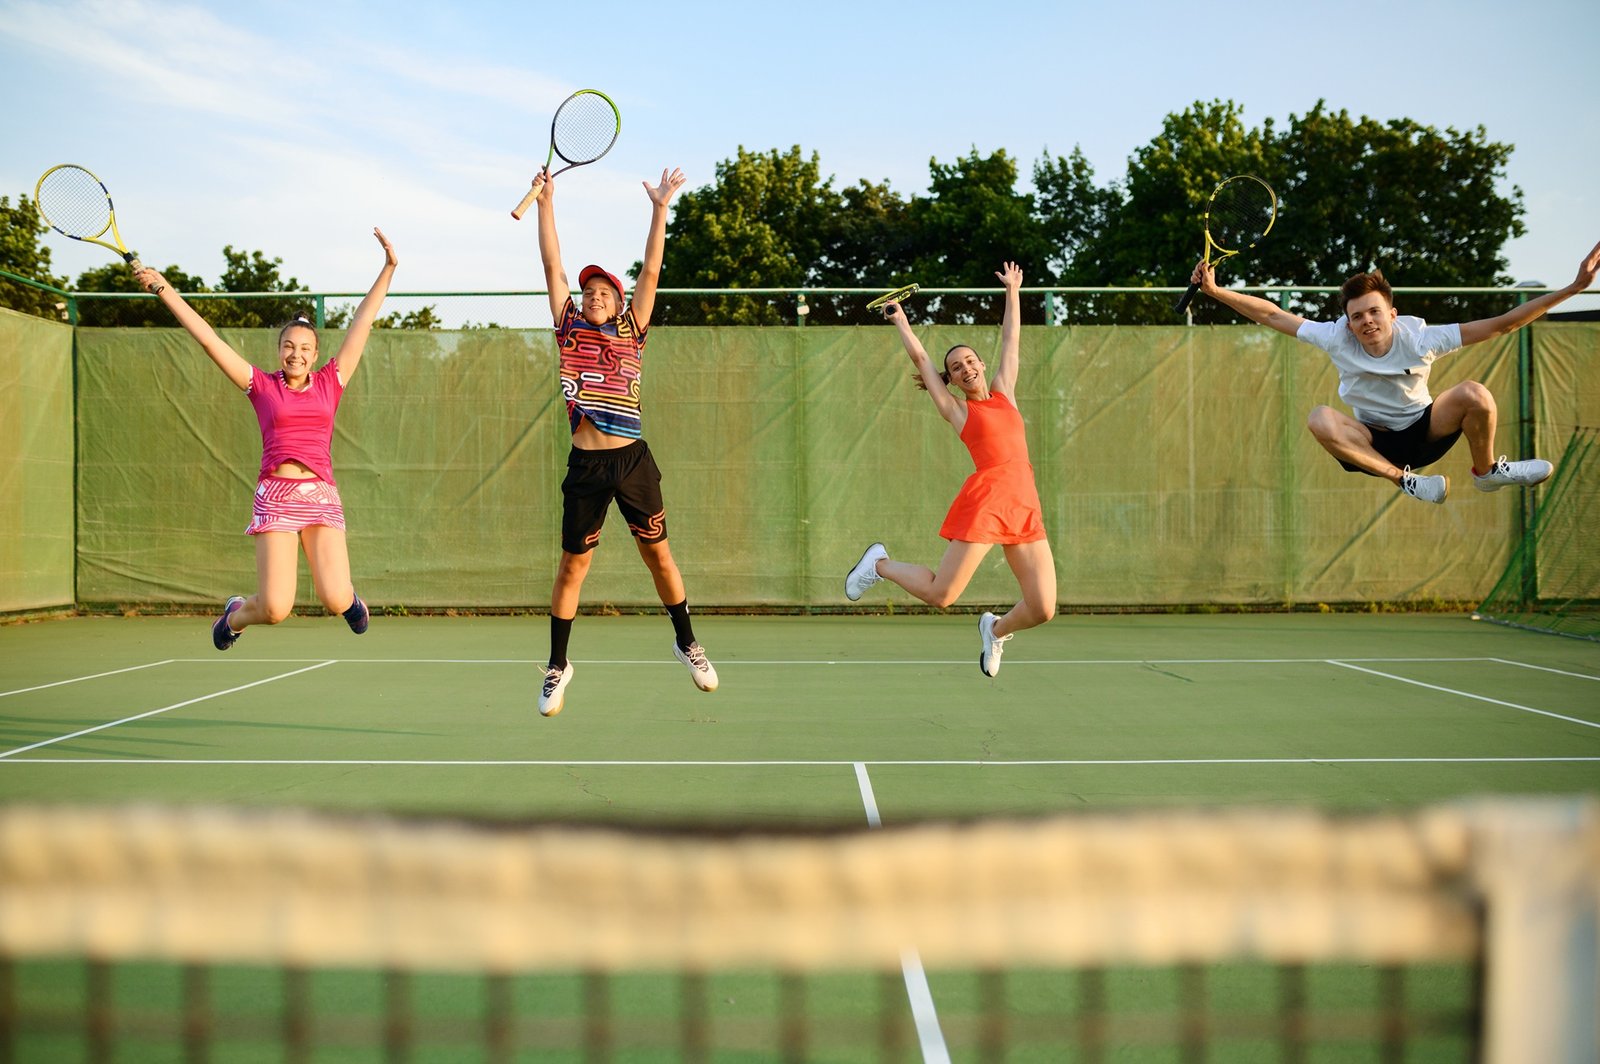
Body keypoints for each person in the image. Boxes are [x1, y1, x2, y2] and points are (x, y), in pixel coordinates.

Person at [134, 229, 397, 649]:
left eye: (305, 348)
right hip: (275, 496)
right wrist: (163, 289)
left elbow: (362, 321)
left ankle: (350, 602)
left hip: (320, 495)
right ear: (280, 350)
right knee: (275, 609)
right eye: (288, 346)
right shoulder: (260, 385)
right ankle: (234, 617)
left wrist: (388, 268)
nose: (296, 353)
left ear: (315, 354)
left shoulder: (332, 380)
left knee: (334, 598)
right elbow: (208, 339)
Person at [1190, 238, 1600, 503]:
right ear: (1348, 323)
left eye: (1374, 312)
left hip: (1426, 430)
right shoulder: (1337, 337)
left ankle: (1487, 471)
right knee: (1319, 418)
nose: (1366, 321)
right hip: (1374, 443)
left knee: (1475, 394)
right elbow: (1274, 315)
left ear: (1392, 313)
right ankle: (1404, 481)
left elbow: (1500, 324)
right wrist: (1216, 291)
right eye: (1357, 316)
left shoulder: (1421, 338)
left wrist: (1572, 289)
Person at [528, 165, 716, 717]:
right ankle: (558, 666)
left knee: (658, 555)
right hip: (586, 466)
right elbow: (551, 264)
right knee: (571, 568)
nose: (593, 296)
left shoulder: (633, 329)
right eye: (588, 291)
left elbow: (652, 269)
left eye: (604, 290)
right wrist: (545, 203)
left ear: (617, 300)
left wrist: (660, 209)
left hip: (633, 462)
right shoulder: (567, 326)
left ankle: (687, 643)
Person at [844, 262, 1056, 677]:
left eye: (971, 360)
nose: (967, 368)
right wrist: (901, 320)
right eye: (957, 367)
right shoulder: (958, 411)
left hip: (1024, 506)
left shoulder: (1005, 393)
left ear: (981, 364)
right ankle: (879, 564)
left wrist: (1013, 290)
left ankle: (995, 630)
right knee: (943, 594)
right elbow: (923, 359)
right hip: (988, 502)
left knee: (1043, 608)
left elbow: (1011, 339)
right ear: (953, 381)